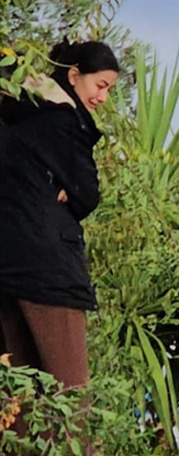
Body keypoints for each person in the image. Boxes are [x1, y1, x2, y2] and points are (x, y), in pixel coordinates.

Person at [0, 40, 119, 392]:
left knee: (17, 401)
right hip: (51, 274)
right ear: (74, 75)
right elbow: (88, 192)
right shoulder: (62, 118)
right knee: (68, 397)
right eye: (101, 85)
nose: (103, 98)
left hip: (7, 270)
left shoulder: (13, 112)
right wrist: (67, 189)